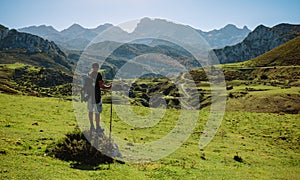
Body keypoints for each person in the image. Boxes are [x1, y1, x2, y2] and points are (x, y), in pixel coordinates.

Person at [87, 62, 111, 133]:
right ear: (97, 68)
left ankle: (91, 126)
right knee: (97, 112)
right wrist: (108, 87)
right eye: (96, 67)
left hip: (89, 96)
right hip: (96, 96)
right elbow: (101, 86)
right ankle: (97, 127)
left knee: (90, 111)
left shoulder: (89, 74)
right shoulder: (98, 75)